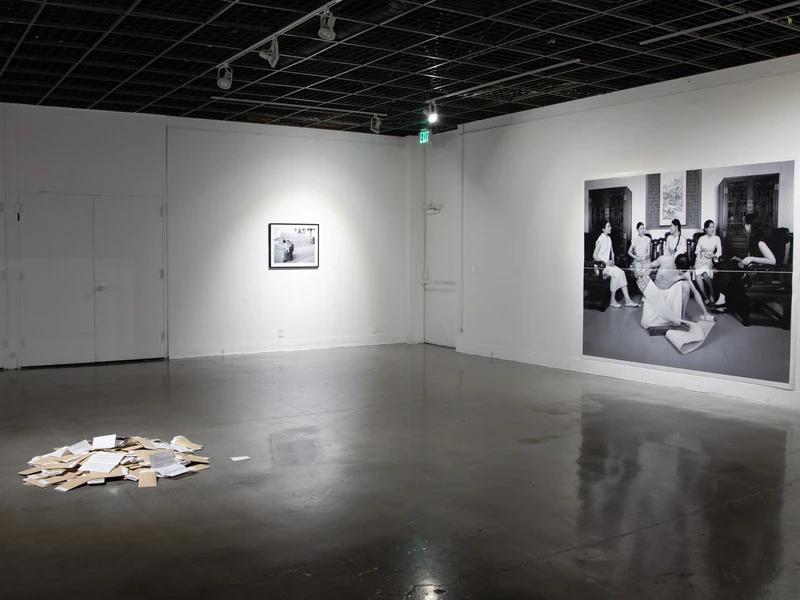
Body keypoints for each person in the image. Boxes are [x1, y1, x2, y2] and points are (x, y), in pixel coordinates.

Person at [641, 253, 713, 328]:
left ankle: (682, 317)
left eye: (683, 272)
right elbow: (648, 266)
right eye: (680, 272)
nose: (681, 274)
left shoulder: (686, 273)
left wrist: (705, 312)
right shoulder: (664, 260)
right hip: (656, 292)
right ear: (675, 266)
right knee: (646, 323)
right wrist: (640, 267)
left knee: (686, 285)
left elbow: (695, 292)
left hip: (669, 293)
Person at [593, 221, 638, 308]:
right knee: (617, 273)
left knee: (621, 272)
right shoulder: (600, 239)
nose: (610, 228)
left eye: (610, 226)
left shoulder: (608, 238)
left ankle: (627, 300)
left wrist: (613, 260)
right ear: (603, 229)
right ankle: (613, 300)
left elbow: (612, 252)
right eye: (608, 226)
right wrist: (605, 263)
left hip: (607, 266)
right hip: (600, 267)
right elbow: (594, 255)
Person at [693, 220, 723, 305]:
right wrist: (700, 257)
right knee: (698, 274)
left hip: (710, 260)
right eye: (710, 227)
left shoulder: (717, 238)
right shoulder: (701, 239)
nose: (712, 229)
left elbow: (719, 252)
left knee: (706, 274)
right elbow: (697, 252)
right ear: (705, 229)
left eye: (713, 227)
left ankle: (712, 293)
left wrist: (713, 256)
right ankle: (705, 296)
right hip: (701, 259)